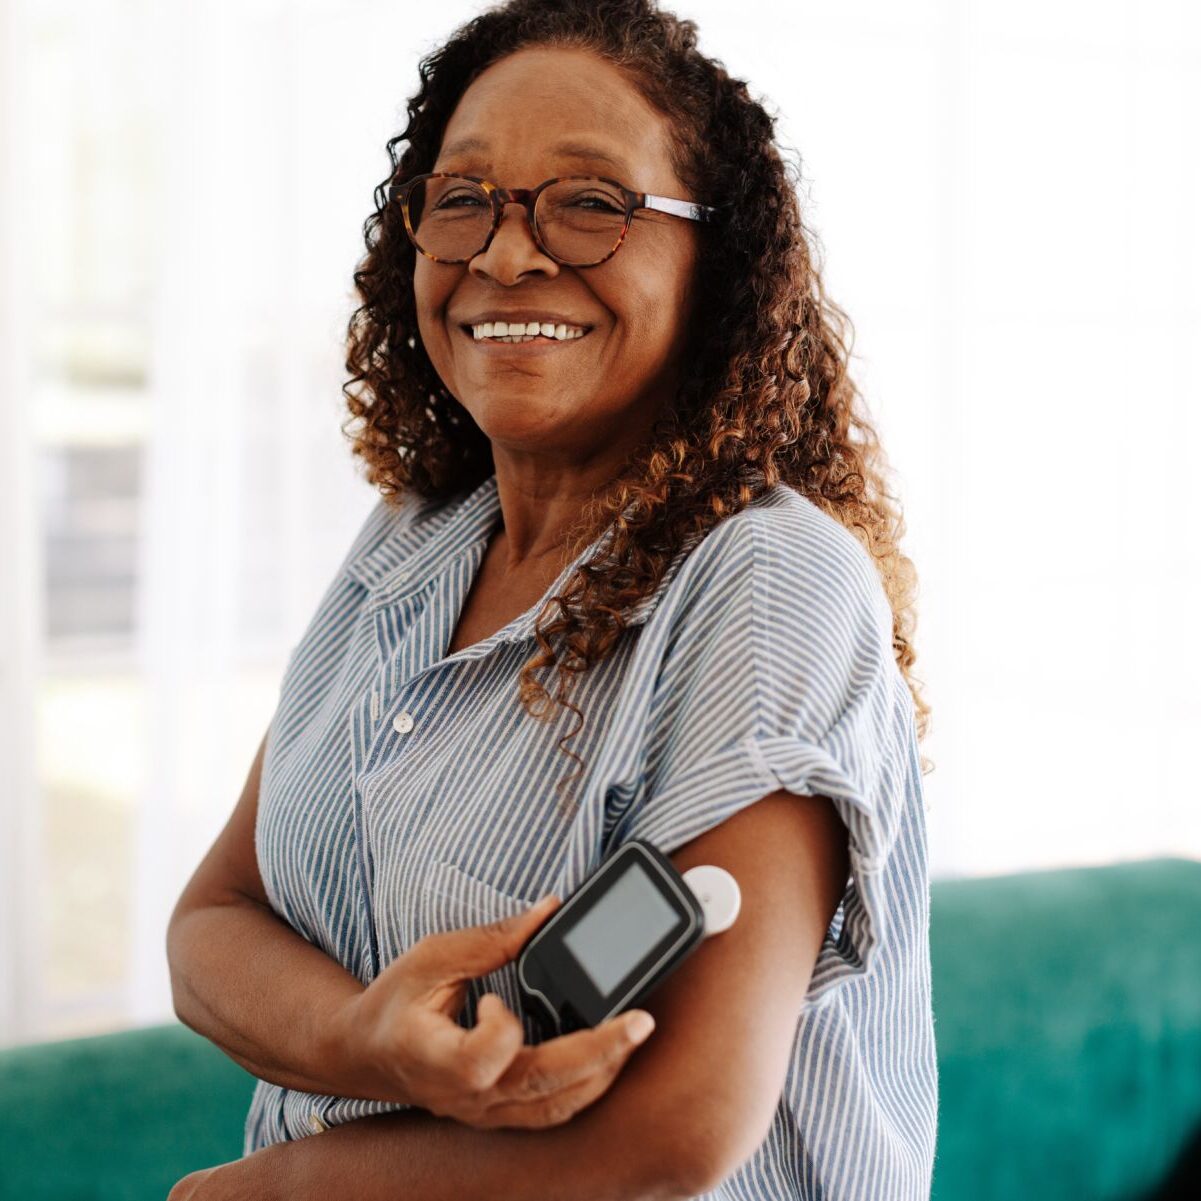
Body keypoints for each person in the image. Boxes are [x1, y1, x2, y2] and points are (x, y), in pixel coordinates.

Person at [165, 1, 937, 1198]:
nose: (507, 253)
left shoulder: (768, 581)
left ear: (713, 260)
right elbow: (213, 922)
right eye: (462, 198)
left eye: (590, 204)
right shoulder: (409, 545)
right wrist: (367, 1037)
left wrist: (265, 1189)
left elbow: (677, 1126)